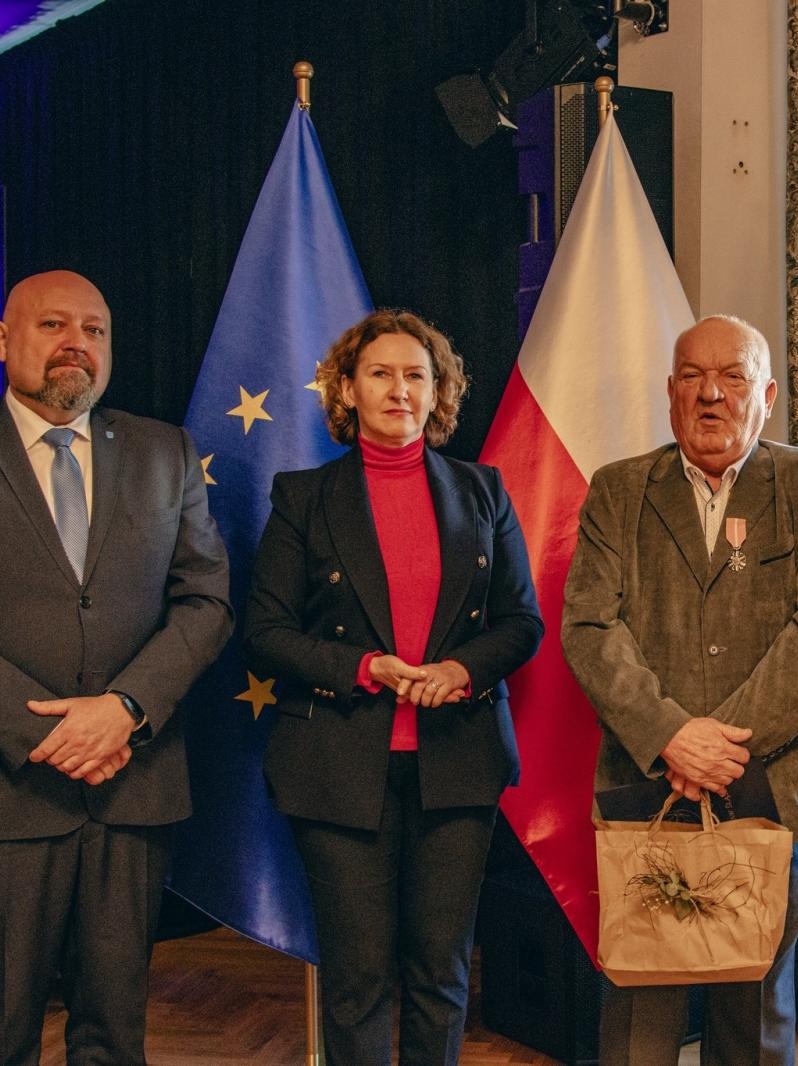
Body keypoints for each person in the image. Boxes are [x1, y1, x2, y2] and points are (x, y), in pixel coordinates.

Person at [0, 270, 233, 1065]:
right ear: (3, 341)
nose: (77, 343)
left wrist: (125, 709)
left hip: (130, 787)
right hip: (0, 796)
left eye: (95, 330)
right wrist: (48, 732)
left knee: (114, 1035)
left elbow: (206, 602)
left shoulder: (164, 451)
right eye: (53, 326)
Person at [243, 309, 542, 1066]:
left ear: (437, 391)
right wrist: (362, 668)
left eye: (416, 375)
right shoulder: (302, 498)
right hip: (340, 767)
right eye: (379, 373)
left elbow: (522, 622)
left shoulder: (485, 492)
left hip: (458, 763)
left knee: (441, 974)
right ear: (348, 388)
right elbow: (266, 633)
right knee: (357, 978)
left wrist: (464, 670)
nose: (398, 389)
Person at [561, 314, 798, 1065]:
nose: (711, 394)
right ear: (670, 393)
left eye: (732, 377)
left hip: (771, 791)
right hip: (646, 792)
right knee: (638, 1021)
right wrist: (670, 737)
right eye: (692, 376)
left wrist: (717, 747)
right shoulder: (619, 489)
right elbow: (589, 629)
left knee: (752, 1018)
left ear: (767, 393)